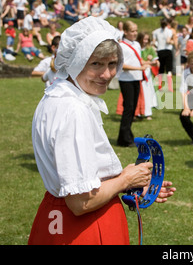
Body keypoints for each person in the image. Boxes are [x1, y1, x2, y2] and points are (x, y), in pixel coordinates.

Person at [28, 17, 175, 245]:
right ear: (76, 61)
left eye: (112, 63)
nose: (107, 74)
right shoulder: (73, 109)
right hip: (84, 229)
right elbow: (80, 202)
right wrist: (126, 179)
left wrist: (130, 181)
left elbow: (82, 177)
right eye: (95, 64)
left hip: (56, 219)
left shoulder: (59, 95)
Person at [116, 21, 149, 147]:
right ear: (125, 32)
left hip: (136, 79)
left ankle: (126, 136)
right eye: (132, 31)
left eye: (136, 30)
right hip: (126, 80)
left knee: (133, 108)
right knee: (128, 108)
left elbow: (138, 60)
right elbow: (122, 65)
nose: (135, 33)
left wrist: (148, 63)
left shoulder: (136, 44)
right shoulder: (121, 46)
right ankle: (125, 138)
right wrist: (139, 69)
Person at [153, 18, 174, 91]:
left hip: (160, 51)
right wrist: (173, 42)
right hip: (167, 51)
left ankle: (159, 86)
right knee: (169, 69)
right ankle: (169, 87)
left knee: (161, 69)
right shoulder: (169, 31)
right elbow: (168, 41)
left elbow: (154, 43)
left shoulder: (156, 31)